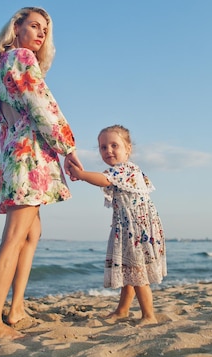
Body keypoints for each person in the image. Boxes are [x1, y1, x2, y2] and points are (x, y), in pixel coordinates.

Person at [0, 7, 83, 340]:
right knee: (14, 237)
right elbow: (43, 105)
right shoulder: (21, 58)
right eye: (34, 26)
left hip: (17, 153)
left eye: (45, 30)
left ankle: (17, 308)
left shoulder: (1, 67)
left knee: (31, 234)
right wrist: (68, 147)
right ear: (16, 28)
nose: (40, 34)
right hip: (27, 156)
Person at [68, 125, 166, 325]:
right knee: (130, 270)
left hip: (137, 229)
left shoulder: (127, 170)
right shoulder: (120, 171)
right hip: (130, 226)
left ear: (128, 148)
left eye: (114, 145)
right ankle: (122, 310)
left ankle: (149, 315)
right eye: (103, 147)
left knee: (138, 272)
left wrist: (81, 174)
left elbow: (104, 180)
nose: (108, 151)